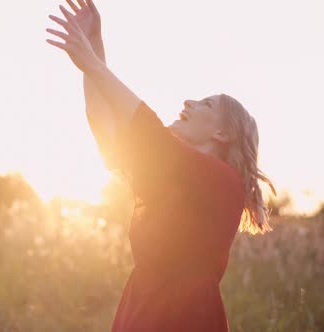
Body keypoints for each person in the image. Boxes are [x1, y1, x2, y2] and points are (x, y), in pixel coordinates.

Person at [45, 1, 275, 331]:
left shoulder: (222, 182)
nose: (187, 103)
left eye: (206, 103)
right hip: (141, 310)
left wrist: (95, 65)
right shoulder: (170, 177)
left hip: (184, 318)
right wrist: (94, 46)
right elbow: (106, 125)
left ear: (223, 133)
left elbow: (144, 125)